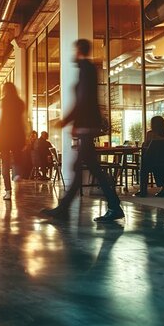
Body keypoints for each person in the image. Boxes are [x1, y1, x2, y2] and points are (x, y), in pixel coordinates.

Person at [40, 39, 123, 222]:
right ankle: (67, 208)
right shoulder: (87, 69)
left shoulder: (86, 69)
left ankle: (66, 209)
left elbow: (83, 100)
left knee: (88, 170)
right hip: (87, 126)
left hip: (86, 126)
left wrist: (68, 121)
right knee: (85, 169)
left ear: (78, 51)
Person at [0, 82, 26, 200]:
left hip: (4, 136)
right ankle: (17, 175)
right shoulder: (20, 103)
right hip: (17, 135)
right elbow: (24, 121)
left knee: (5, 164)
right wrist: (26, 135)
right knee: (17, 159)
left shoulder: (2, 102)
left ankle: (8, 192)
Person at [134, 116, 164, 198]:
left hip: (152, 163)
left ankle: (143, 190)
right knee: (159, 165)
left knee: (144, 164)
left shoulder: (150, 134)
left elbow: (145, 147)